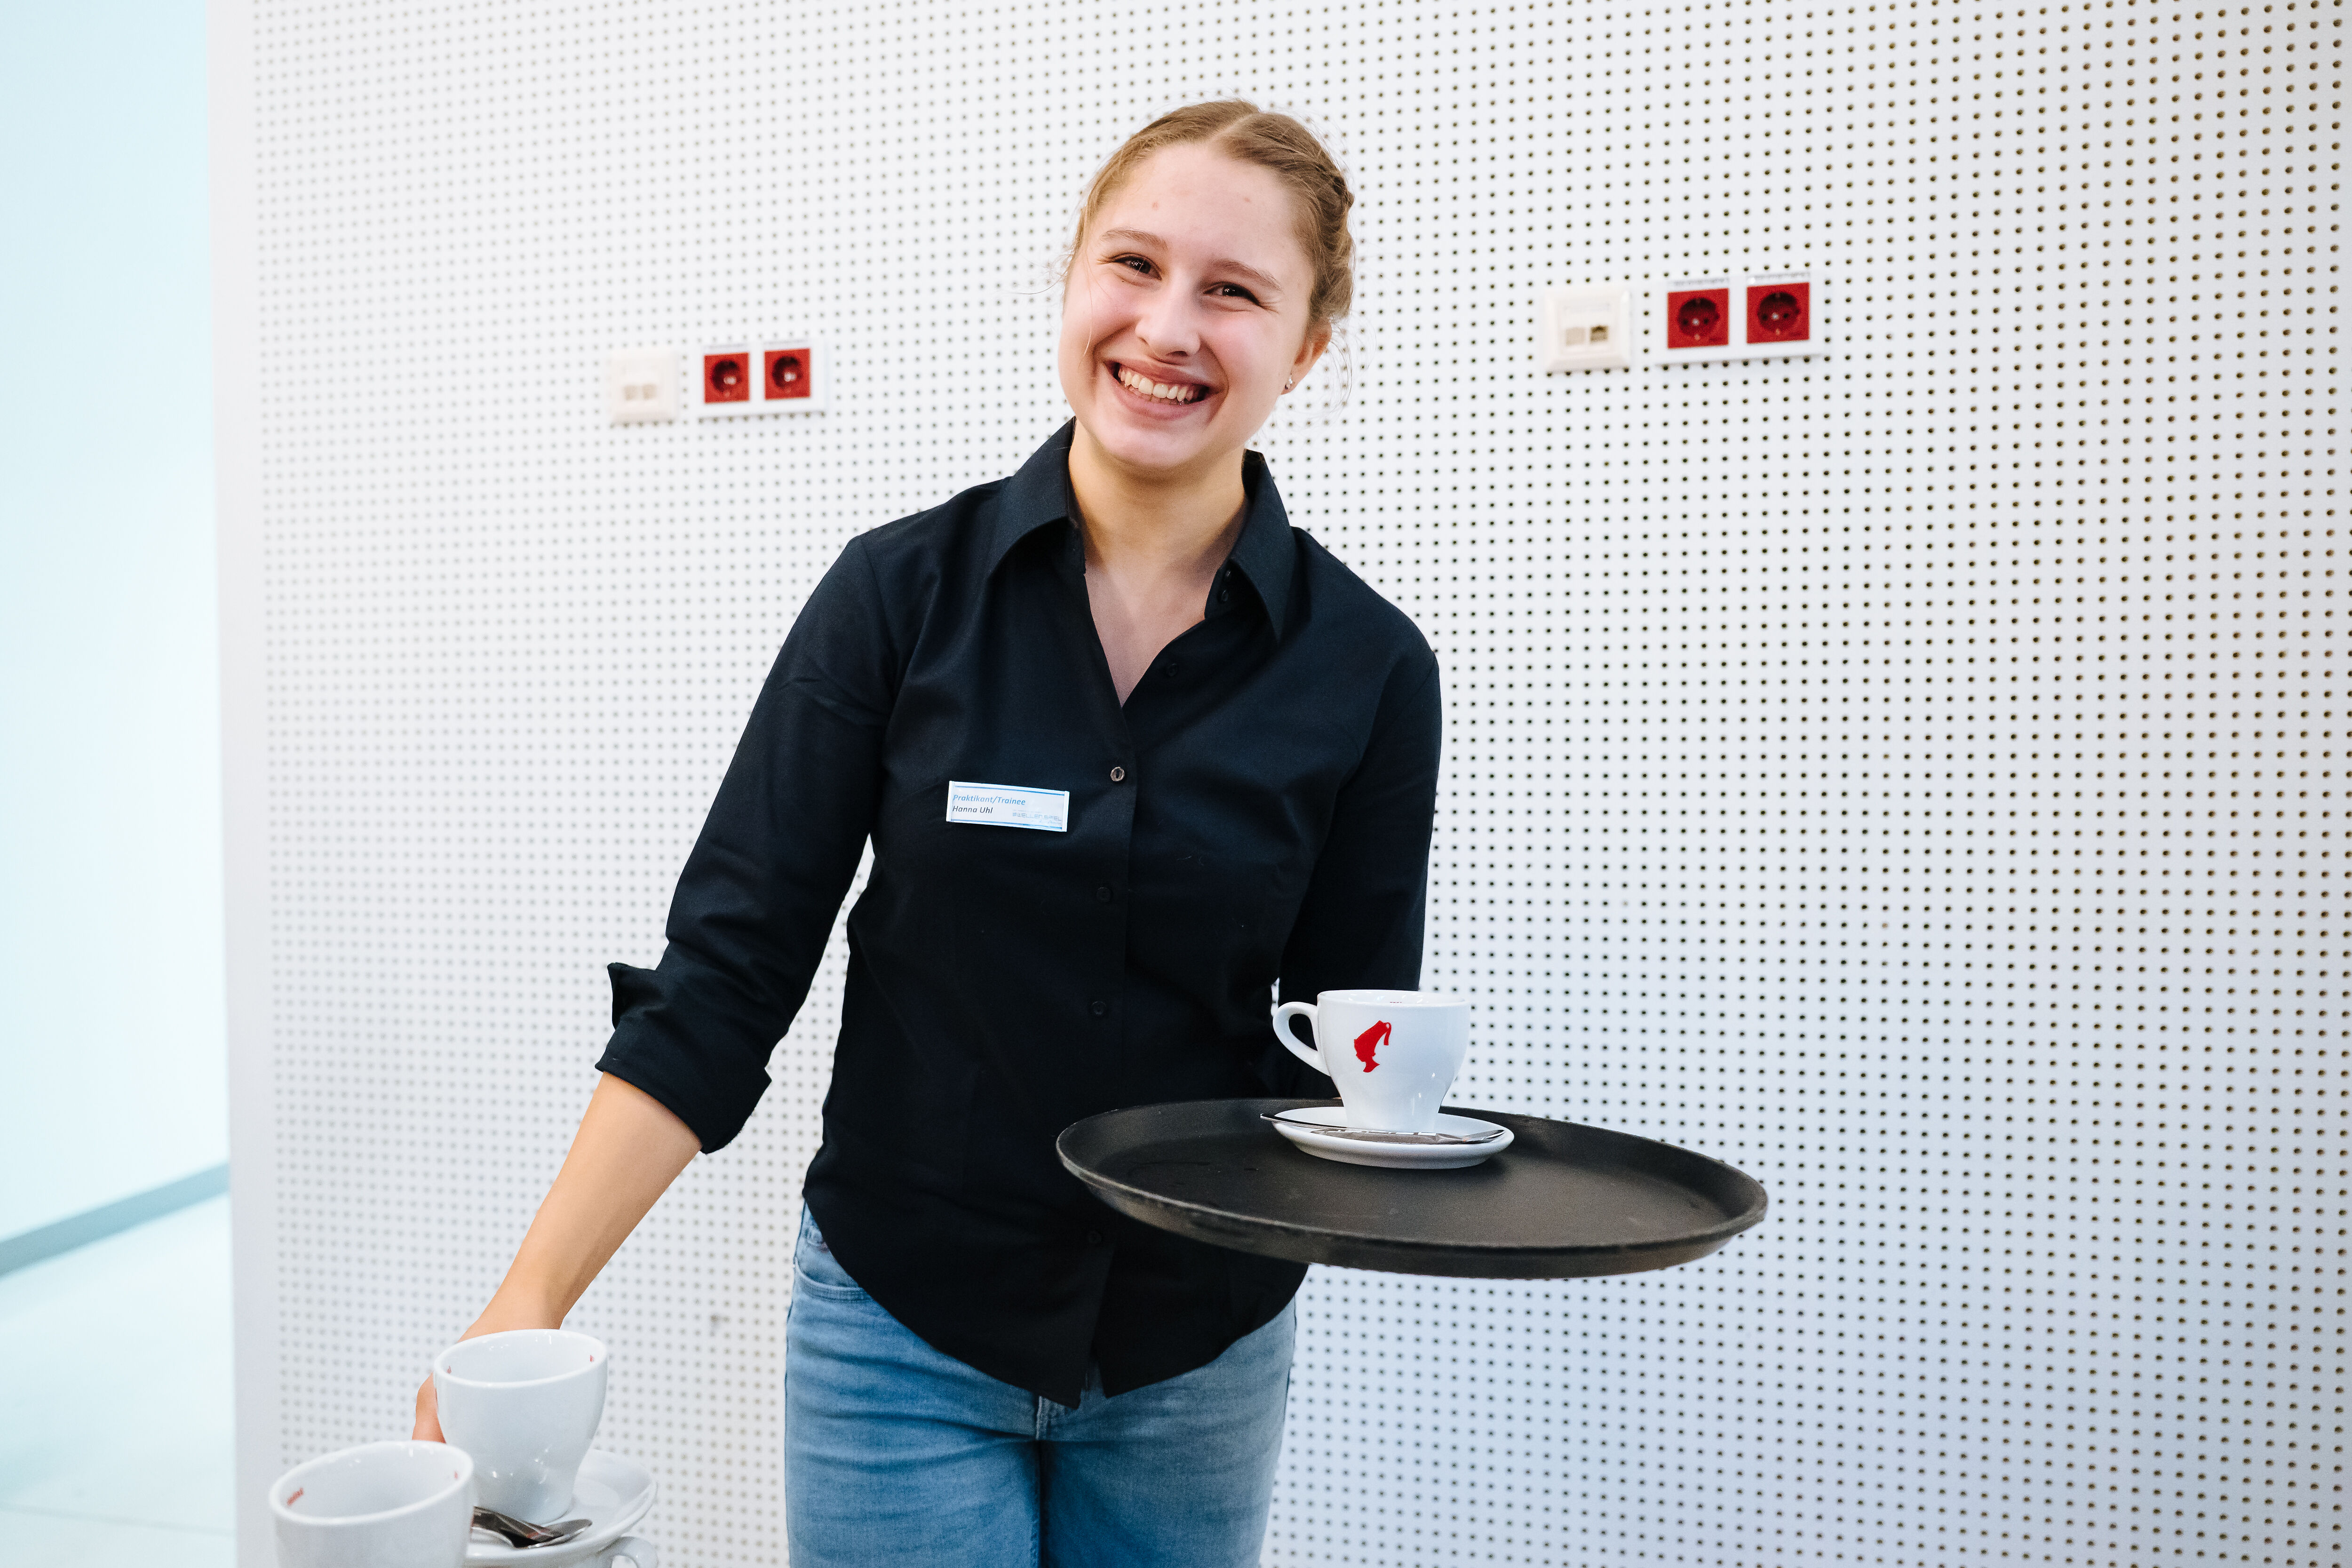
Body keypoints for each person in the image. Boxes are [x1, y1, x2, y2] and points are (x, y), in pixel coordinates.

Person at [413, 99, 1442, 1567]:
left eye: (1233, 290)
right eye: (1133, 264)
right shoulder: (895, 599)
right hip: (900, 1341)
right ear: (1072, 278)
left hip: (1195, 1358)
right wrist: (525, 1309)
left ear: (1310, 346)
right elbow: (723, 982)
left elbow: (1350, 1055)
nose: (1166, 327)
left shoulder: (1370, 670)